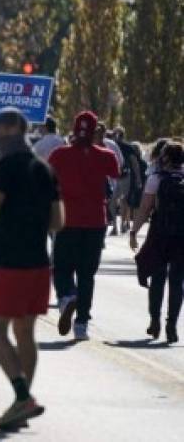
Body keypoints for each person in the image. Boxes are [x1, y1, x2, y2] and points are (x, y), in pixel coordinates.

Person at [0, 108, 64, 431]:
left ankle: (22, 396)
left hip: (10, 262)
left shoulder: (3, 168)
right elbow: (58, 221)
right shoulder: (45, 169)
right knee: (25, 332)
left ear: (12, 127)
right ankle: (21, 402)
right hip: (40, 262)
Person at [48, 111, 119, 341]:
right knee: (87, 274)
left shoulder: (59, 155)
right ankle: (81, 324)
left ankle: (68, 297)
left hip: (67, 220)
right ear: (96, 131)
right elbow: (117, 175)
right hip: (95, 222)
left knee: (61, 268)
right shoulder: (106, 156)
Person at [130, 140, 184, 344]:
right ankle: (172, 325)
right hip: (181, 236)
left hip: (160, 233)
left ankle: (155, 321)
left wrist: (134, 231)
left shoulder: (156, 178)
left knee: (158, 279)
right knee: (177, 282)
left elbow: (144, 209)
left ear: (166, 158)